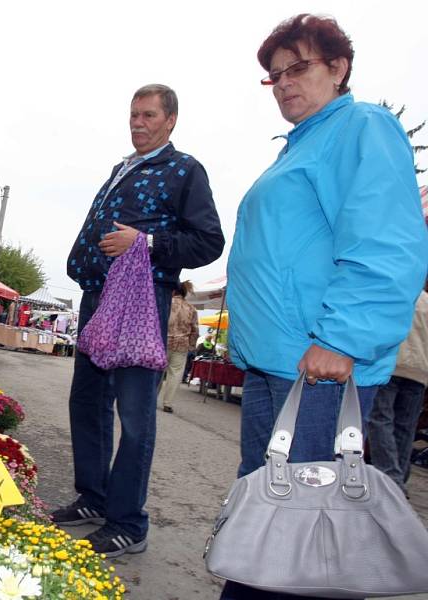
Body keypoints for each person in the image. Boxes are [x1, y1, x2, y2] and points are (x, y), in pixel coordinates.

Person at [224, 14, 427, 599]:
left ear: (338, 68)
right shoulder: (302, 145)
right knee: (271, 518)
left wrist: (343, 339)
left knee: (302, 534)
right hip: (279, 364)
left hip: (318, 367)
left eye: (298, 67)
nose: (284, 82)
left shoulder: (360, 126)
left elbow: (386, 242)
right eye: (274, 74)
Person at [54, 83, 224, 558]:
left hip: (141, 300)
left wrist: (146, 244)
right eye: (133, 115)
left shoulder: (185, 169)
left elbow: (209, 242)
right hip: (96, 295)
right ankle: (94, 498)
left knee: (133, 414)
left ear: (170, 121)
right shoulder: (120, 168)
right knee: (86, 401)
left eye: (148, 115)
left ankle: (129, 522)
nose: (138, 123)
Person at [368, 285, 428, 495]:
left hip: (392, 366)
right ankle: (398, 478)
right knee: (405, 426)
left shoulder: (396, 295)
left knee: (380, 420)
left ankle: (390, 478)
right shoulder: (426, 302)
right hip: (419, 372)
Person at [158, 281, 199, 413]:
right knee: (175, 373)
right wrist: (192, 346)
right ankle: (168, 403)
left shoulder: (165, 303)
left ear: (173, 291)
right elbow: (195, 330)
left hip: (163, 341)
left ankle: (151, 398)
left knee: (158, 371)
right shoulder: (191, 309)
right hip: (182, 344)